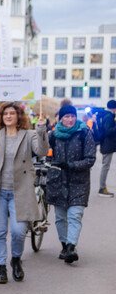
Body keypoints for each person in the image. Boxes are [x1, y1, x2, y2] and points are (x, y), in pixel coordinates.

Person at [0, 102, 48, 284]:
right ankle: (0, 268)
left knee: (18, 231)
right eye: (5, 113)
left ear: (18, 116)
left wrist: (41, 128)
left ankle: (15, 260)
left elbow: (42, 151)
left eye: (12, 113)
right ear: (1, 116)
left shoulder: (29, 135)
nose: (8, 116)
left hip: (20, 191)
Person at [47, 104, 96, 263]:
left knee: (75, 215)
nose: (70, 119)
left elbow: (90, 159)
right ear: (60, 118)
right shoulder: (53, 135)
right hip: (58, 180)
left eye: (73, 116)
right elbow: (43, 151)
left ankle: (71, 247)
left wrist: (72, 165)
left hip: (78, 181)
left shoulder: (84, 133)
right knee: (60, 217)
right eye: (66, 116)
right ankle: (64, 245)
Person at [98, 100, 116, 197]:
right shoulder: (108, 117)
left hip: (107, 144)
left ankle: (102, 187)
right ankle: (102, 188)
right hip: (108, 145)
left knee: (106, 166)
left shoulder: (105, 115)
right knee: (105, 166)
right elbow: (109, 131)